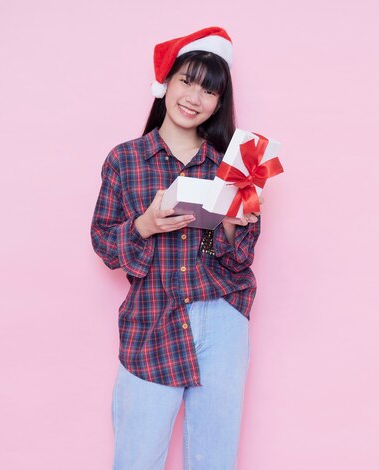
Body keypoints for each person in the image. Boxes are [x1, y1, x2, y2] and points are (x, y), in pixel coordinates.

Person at [90, 26, 260, 469]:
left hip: (221, 318)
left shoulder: (229, 167)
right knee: (137, 457)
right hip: (152, 319)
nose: (195, 97)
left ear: (219, 103)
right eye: (187, 80)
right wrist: (144, 225)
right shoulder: (125, 160)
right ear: (166, 83)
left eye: (209, 90)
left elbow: (235, 256)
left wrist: (226, 228)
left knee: (213, 459)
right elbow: (106, 244)